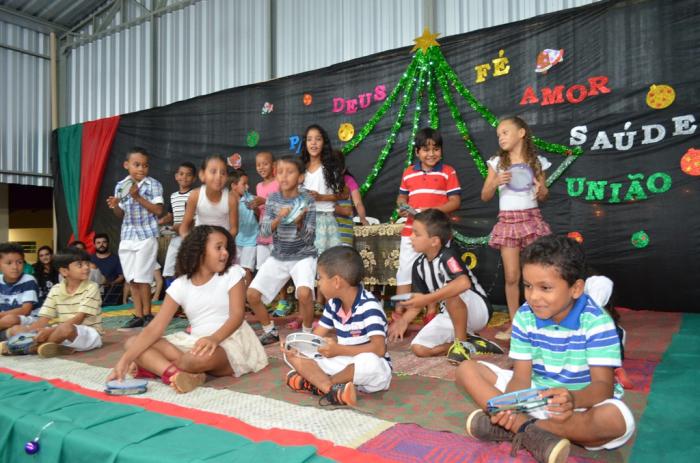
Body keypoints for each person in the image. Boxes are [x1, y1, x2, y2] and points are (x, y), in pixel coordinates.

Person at [456, 236, 635, 463]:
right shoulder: (524, 315)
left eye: (545, 288)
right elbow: (521, 378)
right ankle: (528, 428)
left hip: (579, 404)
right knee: (466, 369)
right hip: (534, 398)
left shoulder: (597, 322)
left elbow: (603, 388)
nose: (533, 297)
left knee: (617, 420)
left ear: (576, 288)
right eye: (528, 286)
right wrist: (511, 403)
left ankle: (516, 427)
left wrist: (573, 399)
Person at [107, 225, 268, 393]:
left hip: (228, 341)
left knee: (192, 360)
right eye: (218, 247)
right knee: (132, 344)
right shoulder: (180, 284)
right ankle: (178, 374)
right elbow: (155, 328)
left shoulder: (232, 273)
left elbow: (237, 315)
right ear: (199, 251)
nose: (225, 252)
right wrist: (124, 361)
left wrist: (213, 339)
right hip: (195, 343)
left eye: (226, 248)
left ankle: (159, 367)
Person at [388, 210, 503, 363]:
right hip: (449, 314)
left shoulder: (448, 256)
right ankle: (472, 344)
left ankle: (461, 345)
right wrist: (403, 320)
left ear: (434, 241)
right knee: (420, 348)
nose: (411, 237)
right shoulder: (419, 266)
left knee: (452, 291)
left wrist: (428, 298)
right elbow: (418, 303)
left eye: (417, 234)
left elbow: (463, 283)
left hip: (477, 310)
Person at [283, 246, 391, 406]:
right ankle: (331, 390)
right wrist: (294, 345)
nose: (318, 283)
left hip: (367, 369)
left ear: (336, 282)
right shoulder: (333, 304)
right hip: (343, 362)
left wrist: (339, 350)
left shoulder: (369, 306)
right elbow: (315, 338)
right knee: (293, 355)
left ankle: (319, 384)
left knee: (371, 363)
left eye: (320, 277)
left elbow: (379, 349)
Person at [481, 116, 552, 341]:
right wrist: (495, 182)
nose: (501, 137)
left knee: (535, 273)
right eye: (498, 135)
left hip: (531, 219)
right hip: (508, 221)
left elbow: (544, 195)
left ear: (521, 133)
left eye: (505, 132)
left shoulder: (536, 162)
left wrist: (540, 189)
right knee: (512, 276)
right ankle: (516, 324)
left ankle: (540, 319)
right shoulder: (497, 162)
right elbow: (485, 196)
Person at [247, 156, 316, 345]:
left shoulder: (307, 200)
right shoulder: (272, 200)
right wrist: (278, 218)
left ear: (300, 177)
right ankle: (270, 331)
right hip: (279, 255)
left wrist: (300, 222)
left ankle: (308, 333)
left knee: (304, 294)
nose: (284, 176)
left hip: (303, 255)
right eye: (280, 172)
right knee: (252, 295)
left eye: (290, 172)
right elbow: (264, 230)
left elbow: (310, 237)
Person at [395, 128, 461, 322]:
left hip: (436, 233)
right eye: (426, 149)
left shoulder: (448, 172)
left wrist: (431, 212)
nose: (431, 153)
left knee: (436, 271)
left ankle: (431, 312)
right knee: (405, 272)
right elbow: (401, 197)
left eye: (436, 148)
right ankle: (400, 312)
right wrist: (402, 206)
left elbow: (455, 202)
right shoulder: (408, 173)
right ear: (417, 152)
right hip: (411, 232)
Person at [3, 248, 103, 358]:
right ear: (64, 271)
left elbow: (79, 318)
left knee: (65, 328)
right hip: (59, 333)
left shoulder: (92, 287)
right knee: (18, 329)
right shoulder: (56, 289)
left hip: (86, 334)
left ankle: (29, 347)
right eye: (80, 265)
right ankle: (49, 347)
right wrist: (31, 332)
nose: (86, 267)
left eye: (87, 263)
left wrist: (48, 331)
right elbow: (43, 319)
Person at [106, 147, 164, 328]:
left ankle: (147, 314)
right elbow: (119, 214)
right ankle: (138, 314)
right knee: (131, 279)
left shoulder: (153, 184)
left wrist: (138, 197)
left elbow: (158, 210)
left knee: (142, 278)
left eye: (145, 165)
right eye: (136, 164)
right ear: (126, 165)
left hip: (146, 235)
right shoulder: (120, 186)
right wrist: (115, 205)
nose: (141, 169)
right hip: (127, 236)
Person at [248, 152, 289, 316]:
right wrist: (254, 208)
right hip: (263, 232)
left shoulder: (279, 183)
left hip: (279, 232)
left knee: (279, 267)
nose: (261, 167)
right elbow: (261, 212)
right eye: (258, 165)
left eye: (265, 164)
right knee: (263, 268)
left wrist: (264, 201)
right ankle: (268, 301)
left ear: (273, 166)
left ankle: (283, 301)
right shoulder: (258, 186)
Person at [179, 154, 239, 239]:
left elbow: (234, 229)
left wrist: (223, 242)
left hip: (222, 241)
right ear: (202, 175)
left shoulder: (231, 200)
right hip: (200, 240)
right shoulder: (195, 196)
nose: (218, 176)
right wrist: (189, 243)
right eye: (213, 171)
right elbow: (184, 227)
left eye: (223, 173)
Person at [160, 161, 196, 286]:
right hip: (176, 237)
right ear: (176, 176)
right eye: (181, 174)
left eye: (188, 175)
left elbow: (196, 218)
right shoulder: (173, 196)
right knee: (169, 270)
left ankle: (188, 299)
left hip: (191, 238)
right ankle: (174, 298)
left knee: (187, 270)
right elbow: (171, 216)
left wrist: (183, 227)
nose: (184, 177)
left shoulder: (195, 195)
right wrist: (161, 221)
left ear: (194, 178)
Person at [0, 243, 39, 340]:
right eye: (9, 263)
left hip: (28, 319)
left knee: (12, 320)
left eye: (19, 262)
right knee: (15, 329)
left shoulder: (28, 280)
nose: (15, 267)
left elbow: (25, 310)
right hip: (6, 322)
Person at [334, 151, 369, 247]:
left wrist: (363, 218)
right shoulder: (323, 180)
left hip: (344, 227)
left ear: (343, 169)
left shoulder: (348, 180)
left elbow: (358, 203)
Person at [229, 169, 257, 287]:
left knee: (247, 270)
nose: (247, 186)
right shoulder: (225, 200)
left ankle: (246, 299)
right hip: (234, 240)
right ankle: (235, 296)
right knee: (233, 269)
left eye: (247, 183)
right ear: (234, 185)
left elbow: (261, 214)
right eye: (244, 184)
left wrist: (256, 208)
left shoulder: (251, 198)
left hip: (251, 240)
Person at [91, 234, 125, 305]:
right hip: (92, 291)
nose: (101, 245)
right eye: (98, 243)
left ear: (108, 243)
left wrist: (112, 283)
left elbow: (121, 277)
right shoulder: (90, 259)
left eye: (104, 242)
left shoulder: (116, 258)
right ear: (94, 245)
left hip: (111, 290)